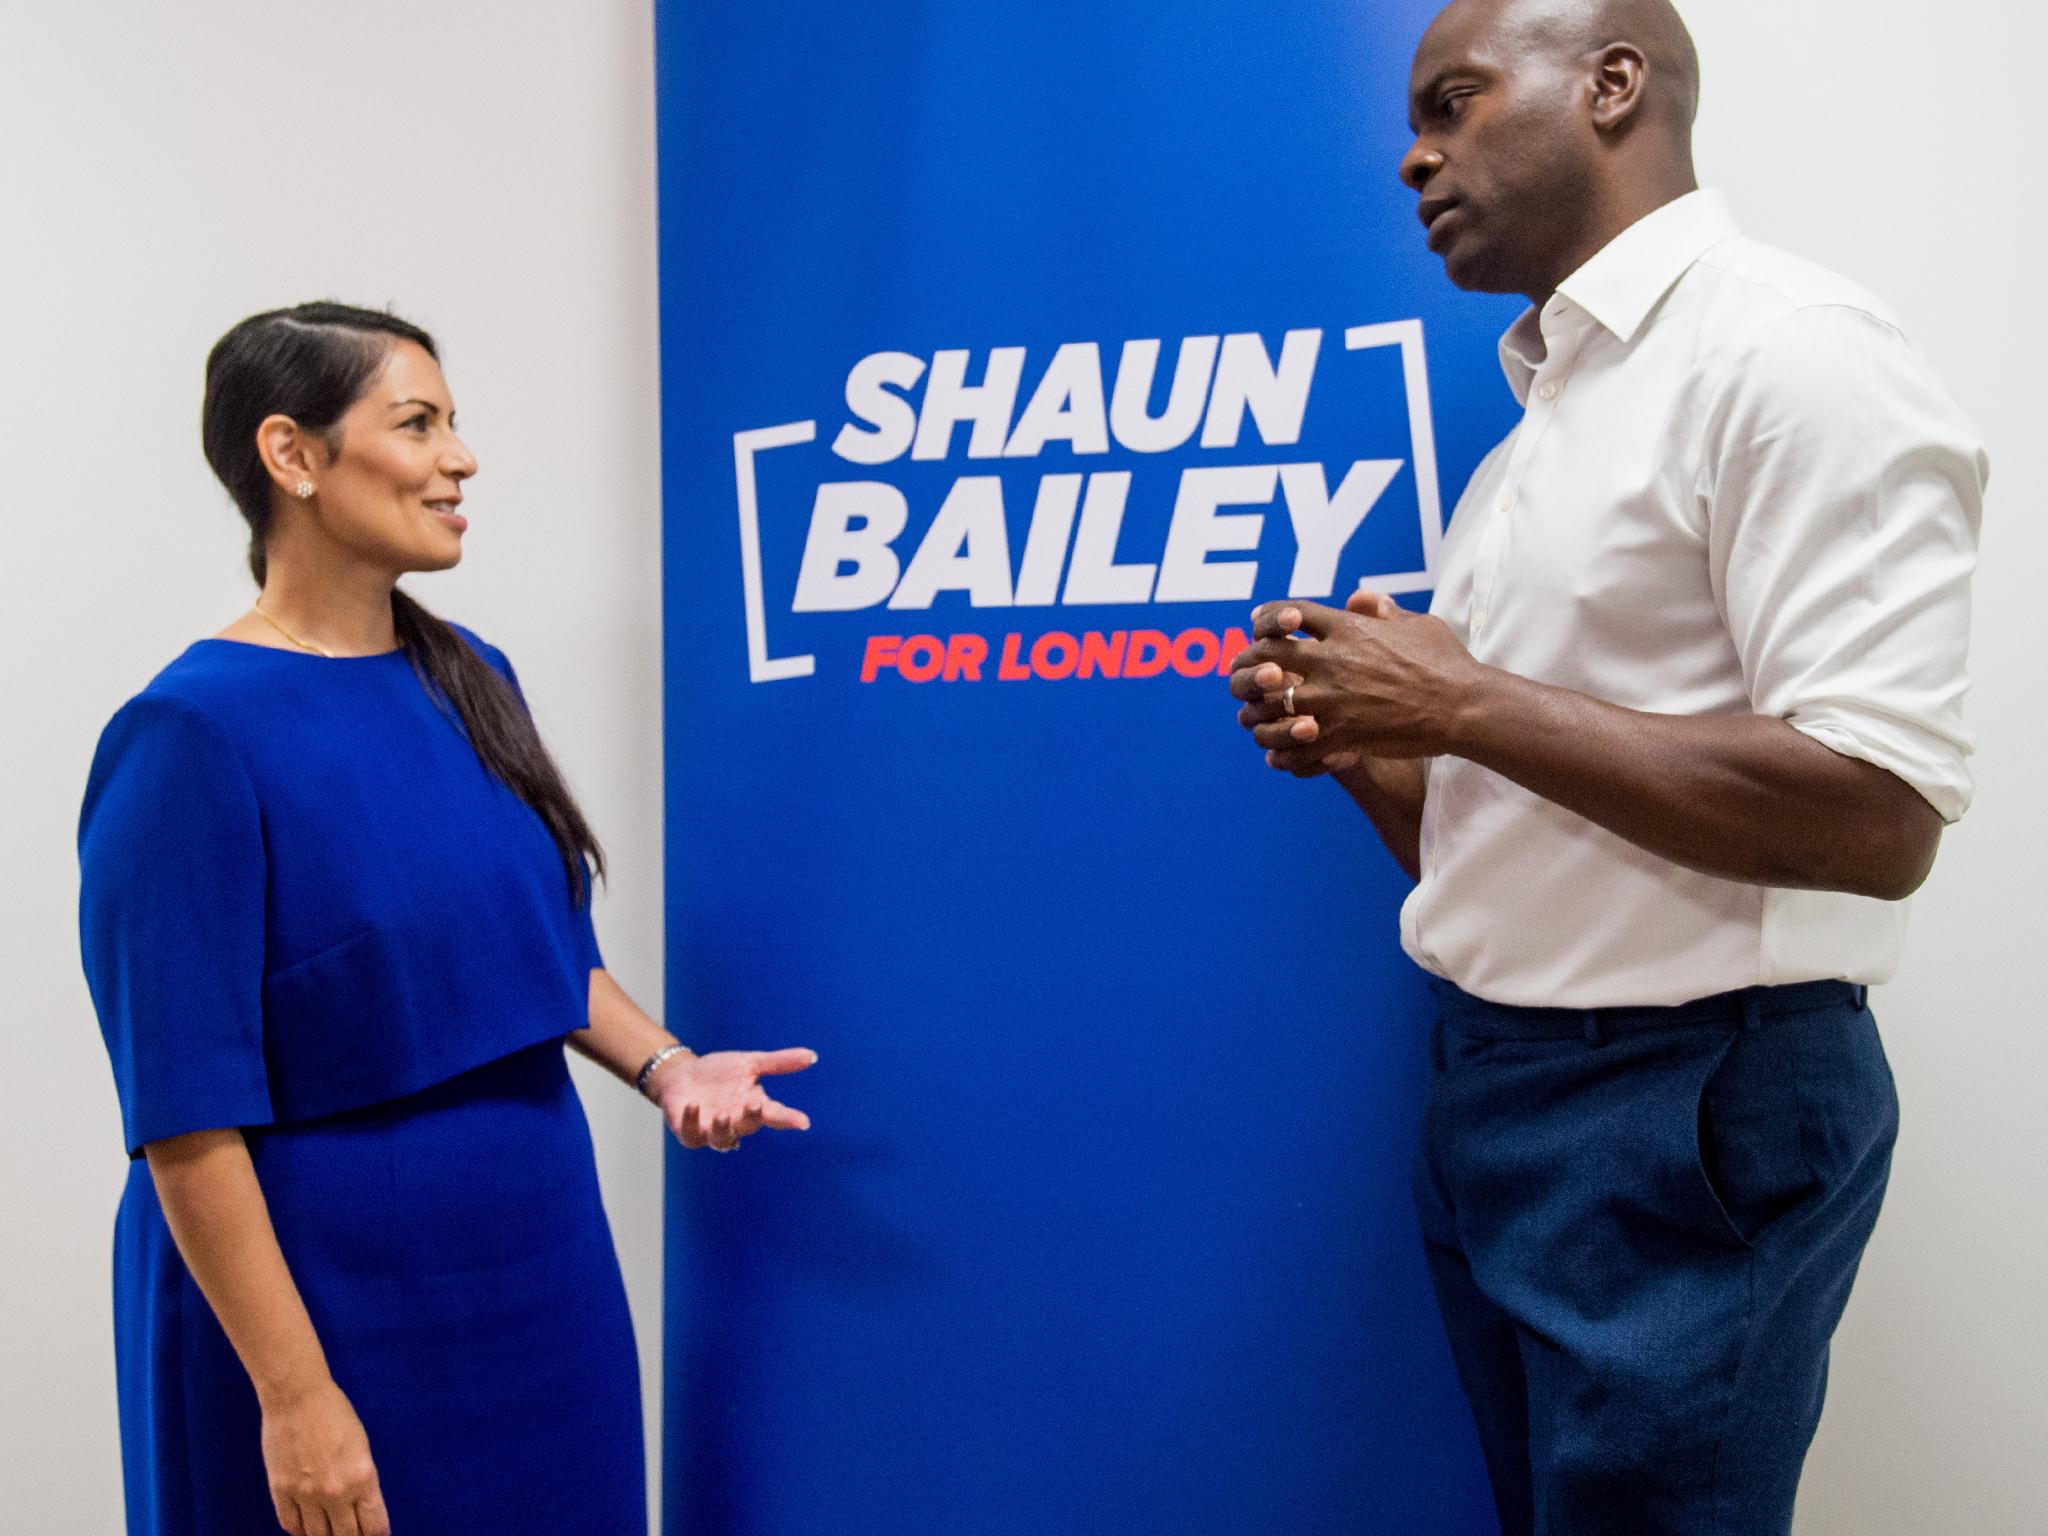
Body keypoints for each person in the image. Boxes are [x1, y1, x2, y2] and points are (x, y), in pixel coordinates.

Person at [1228, 1, 1984, 1531]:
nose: (1411, 155)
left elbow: (1878, 811)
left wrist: (1459, 702)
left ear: (1612, 85)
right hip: (1500, 1088)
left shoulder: (1793, 353)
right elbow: (1503, 852)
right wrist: (1370, 745)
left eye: (1454, 101)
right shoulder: (1536, 442)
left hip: (1684, 1102)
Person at [78, 302, 816, 1536]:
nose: (460, 458)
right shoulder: (191, 735)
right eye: (415, 424)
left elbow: (533, 955)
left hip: (535, 1263)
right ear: (293, 456)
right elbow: (183, 1112)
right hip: (318, 1300)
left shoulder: (468, 674)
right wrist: (296, 1395)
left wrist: (670, 1067)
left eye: (453, 424)